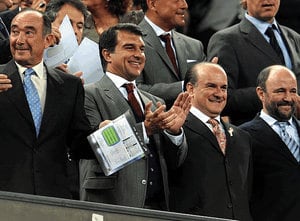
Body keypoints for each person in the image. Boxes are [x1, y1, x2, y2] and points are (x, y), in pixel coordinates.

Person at [79, 23, 190, 210]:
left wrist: (174, 134)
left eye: (142, 49)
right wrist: (144, 130)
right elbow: (98, 150)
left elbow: (175, 162)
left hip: (157, 207)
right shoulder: (87, 95)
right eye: (129, 47)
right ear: (107, 54)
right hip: (113, 204)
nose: (139, 55)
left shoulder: (156, 102)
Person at [0, 9, 95, 199]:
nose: (19, 40)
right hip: (5, 196)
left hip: (53, 198)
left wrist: (110, 132)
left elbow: (79, 144)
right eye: (14, 31)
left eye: (28, 32)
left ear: (48, 40)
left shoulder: (69, 86)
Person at [167, 62, 252, 220]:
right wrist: (174, 133)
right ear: (190, 89)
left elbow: (246, 192)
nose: (219, 94)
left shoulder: (242, 136)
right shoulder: (175, 129)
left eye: (224, 88)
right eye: (211, 86)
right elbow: (170, 167)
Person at [207, 0, 300, 125]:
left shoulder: (294, 37)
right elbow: (218, 98)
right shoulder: (226, 40)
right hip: (254, 137)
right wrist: (267, 95)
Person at [240, 65, 300, 221]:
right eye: (280, 91)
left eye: (293, 91)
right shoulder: (243, 136)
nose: (288, 98)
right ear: (261, 93)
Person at [136, 0, 206, 109]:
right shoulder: (130, 42)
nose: (185, 5)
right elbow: (134, 90)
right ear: (153, 4)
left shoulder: (195, 46)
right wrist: (185, 86)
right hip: (156, 122)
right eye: (177, 0)